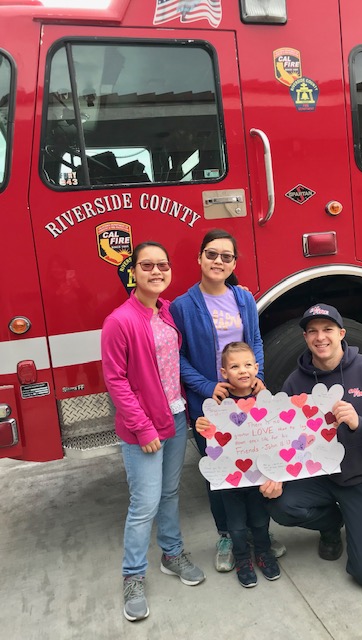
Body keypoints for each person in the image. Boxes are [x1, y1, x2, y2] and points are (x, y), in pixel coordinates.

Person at [261, 303, 362, 589]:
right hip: (318, 478)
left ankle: (361, 518)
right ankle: (331, 523)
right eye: (312, 331)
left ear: (341, 333)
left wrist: (360, 423)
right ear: (305, 337)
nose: (320, 337)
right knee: (280, 505)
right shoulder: (295, 382)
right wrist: (277, 473)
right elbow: (283, 437)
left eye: (327, 329)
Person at [101, 241, 205, 622]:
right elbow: (115, 381)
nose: (156, 271)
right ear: (133, 272)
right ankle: (132, 576)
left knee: (170, 492)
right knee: (144, 503)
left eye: (162, 264)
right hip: (142, 427)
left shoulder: (167, 311)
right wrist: (143, 429)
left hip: (174, 417)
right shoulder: (119, 321)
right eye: (147, 265)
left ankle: (171, 554)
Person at [170, 228, 286, 572]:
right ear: (199, 258)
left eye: (226, 256)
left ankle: (258, 535)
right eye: (211, 254)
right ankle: (226, 536)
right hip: (211, 407)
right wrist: (207, 386)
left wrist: (257, 376)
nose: (218, 261)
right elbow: (177, 358)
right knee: (219, 474)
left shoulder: (243, 299)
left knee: (255, 467)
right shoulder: (182, 306)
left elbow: (255, 340)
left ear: (234, 263)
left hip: (248, 404)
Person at [196, 342, 281, 587]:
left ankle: (263, 553)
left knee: (260, 520)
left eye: (247, 365)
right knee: (236, 525)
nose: (242, 371)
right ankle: (243, 559)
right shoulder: (217, 405)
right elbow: (211, 435)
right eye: (234, 367)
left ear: (256, 368)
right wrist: (202, 426)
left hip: (257, 476)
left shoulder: (265, 400)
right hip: (230, 479)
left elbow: (277, 433)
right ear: (224, 373)